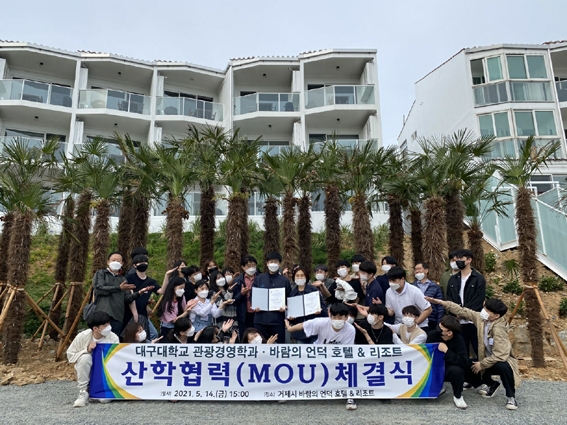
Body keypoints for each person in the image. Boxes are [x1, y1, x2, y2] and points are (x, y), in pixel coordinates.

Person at [426, 296, 521, 410]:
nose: (483, 311)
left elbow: (501, 355)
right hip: (485, 357)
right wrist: (441, 302)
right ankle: (491, 384)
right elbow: (463, 311)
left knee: (503, 367)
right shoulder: (482, 319)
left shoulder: (499, 330)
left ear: (496, 316)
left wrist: (482, 364)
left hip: (498, 360)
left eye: (487, 310)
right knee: (467, 364)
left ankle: (511, 397)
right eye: (484, 308)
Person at [285, 303, 357, 410]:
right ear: (330, 316)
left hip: (338, 357)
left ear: (346, 317)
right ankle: (285, 392)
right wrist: (290, 329)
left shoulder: (350, 329)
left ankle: (350, 396)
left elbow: (347, 351)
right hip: (318, 354)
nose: (337, 320)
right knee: (298, 366)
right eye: (334, 317)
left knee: (350, 368)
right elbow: (304, 325)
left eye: (340, 317)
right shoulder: (322, 322)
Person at [92, 251, 152, 337]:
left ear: (122, 263)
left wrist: (139, 293)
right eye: (113, 260)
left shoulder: (123, 279)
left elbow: (127, 298)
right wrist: (119, 288)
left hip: (118, 317)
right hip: (102, 315)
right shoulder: (101, 273)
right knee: (99, 340)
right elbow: (98, 289)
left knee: (114, 341)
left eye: (119, 260)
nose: (116, 262)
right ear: (108, 262)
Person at [67, 311, 119, 407]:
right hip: (88, 369)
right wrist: (87, 350)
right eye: (105, 325)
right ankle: (83, 391)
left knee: (104, 400)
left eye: (108, 324)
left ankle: (100, 389)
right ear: (95, 328)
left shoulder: (113, 338)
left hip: (104, 372)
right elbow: (70, 355)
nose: (108, 327)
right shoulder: (82, 336)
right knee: (85, 357)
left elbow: (116, 360)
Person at [446, 249, 486, 357]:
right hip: (458, 323)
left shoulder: (478, 279)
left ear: (469, 260)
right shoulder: (453, 280)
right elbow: (449, 298)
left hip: (473, 321)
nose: (458, 261)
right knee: (461, 351)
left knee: (478, 350)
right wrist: (455, 313)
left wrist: (464, 312)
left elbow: (478, 299)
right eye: (456, 259)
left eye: (461, 258)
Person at [426, 315, 471, 409]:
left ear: (449, 333)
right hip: (434, 365)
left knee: (457, 371)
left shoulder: (459, 340)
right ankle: (436, 387)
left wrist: (446, 351)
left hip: (449, 366)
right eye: (439, 325)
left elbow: (463, 361)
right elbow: (427, 352)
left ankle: (458, 396)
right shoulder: (432, 335)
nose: (438, 328)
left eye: (441, 328)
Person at [252, 252, 292, 344]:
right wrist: (255, 306)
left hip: (277, 320)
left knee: (278, 346)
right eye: (271, 262)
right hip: (260, 320)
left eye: (275, 262)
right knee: (260, 345)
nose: (273, 264)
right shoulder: (259, 279)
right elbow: (253, 295)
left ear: (279, 263)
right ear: (267, 263)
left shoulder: (284, 281)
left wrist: (285, 307)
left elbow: (289, 298)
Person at [123, 254, 162, 340]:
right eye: (140, 262)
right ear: (134, 265)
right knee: (131, 338)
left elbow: (161, 291)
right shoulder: (129, 278)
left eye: (145, 262)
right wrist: (135, 314)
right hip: (129, 314)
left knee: (147, 336)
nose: (143, 264)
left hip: (143, 315)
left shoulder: (151, 281)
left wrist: (167, 276)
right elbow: (130, 298)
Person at [287, 266, 327, 344]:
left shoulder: (313, 291)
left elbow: (324, 309)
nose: (299, 278)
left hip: (314, 329)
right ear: (294, 278)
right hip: (300, 332)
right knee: (301, 351)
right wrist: (291, 318)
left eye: (302, 275)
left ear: (306, 277)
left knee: (315, 350)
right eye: (297, 276)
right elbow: (290, 315)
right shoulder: (292, 294)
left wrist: (320, 311)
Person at [412, 262, 444, 332]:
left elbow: (440, 306)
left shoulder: (435, 286)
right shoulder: (412, 287)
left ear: (426, 270)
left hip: (432, 320)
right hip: (416, 320)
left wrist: (439, 322)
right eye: (415, 269)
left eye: (419, 269)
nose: (417, 271)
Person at [233, 255, 259, 339]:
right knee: (244, 337)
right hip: (243, 315)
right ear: (243, 267)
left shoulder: (261, 278)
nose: (251, 268)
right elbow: (234, 300)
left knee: (258, 337)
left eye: (253, 265)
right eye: (248, 266)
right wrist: (241, 293)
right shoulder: (238, 280)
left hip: (258, 314)